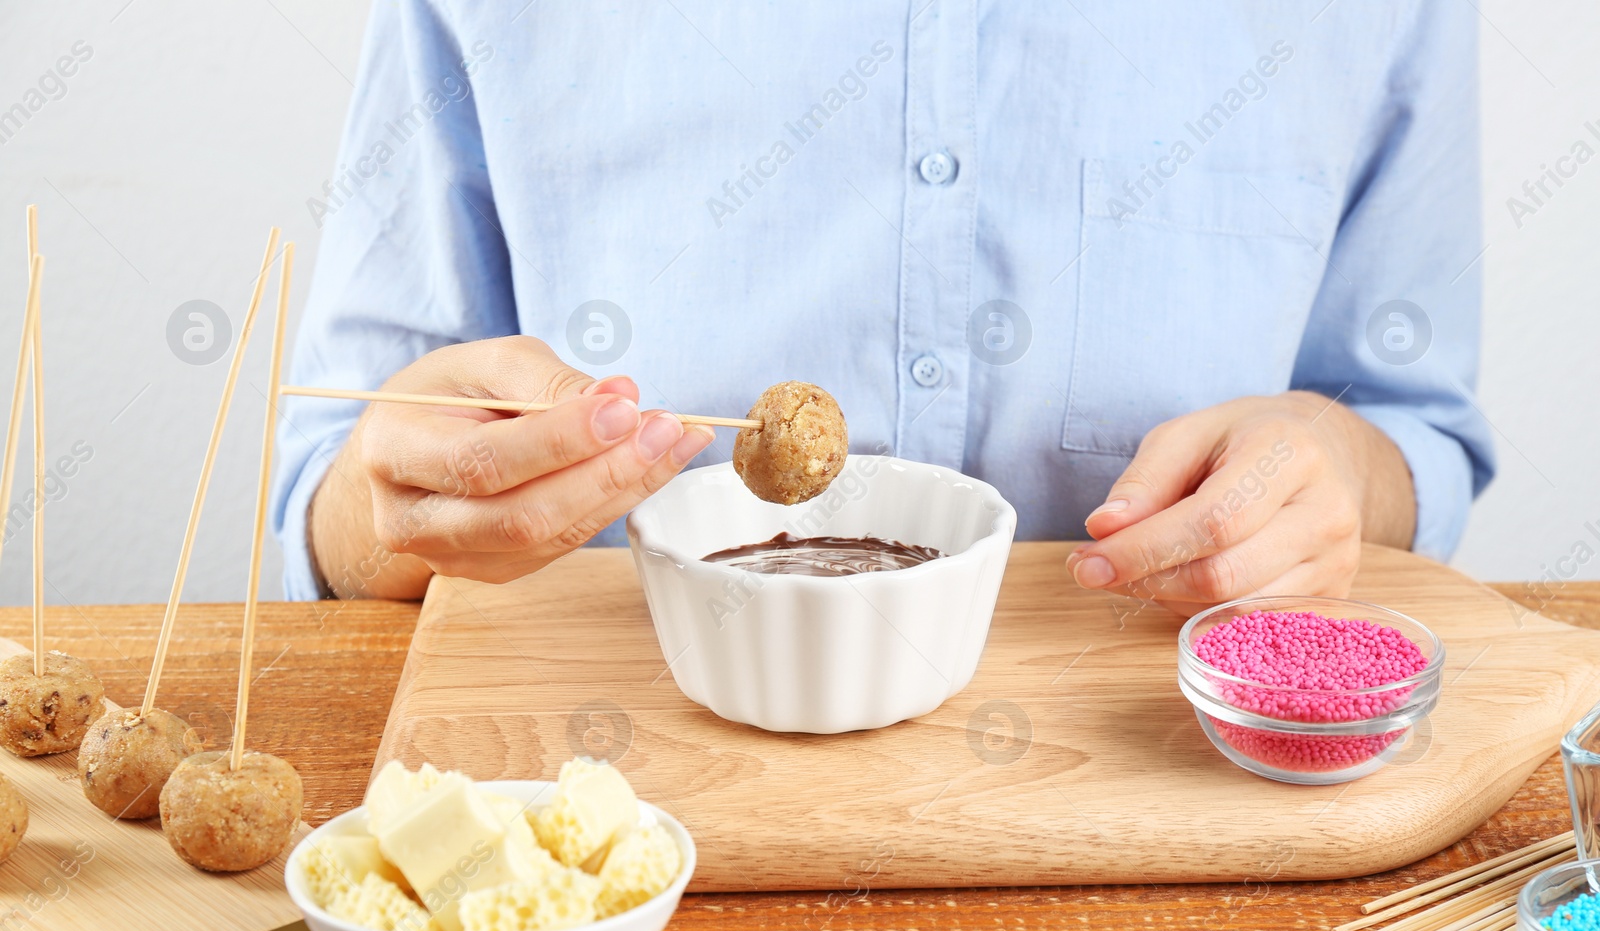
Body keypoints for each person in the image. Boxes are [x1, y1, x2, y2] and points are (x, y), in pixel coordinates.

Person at [272, 1, 1493, 614]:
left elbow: (1410, 428)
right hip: (599, 814)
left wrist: (1339, 464)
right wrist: (402, 509)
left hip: (1170, 793)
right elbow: (330, 487)